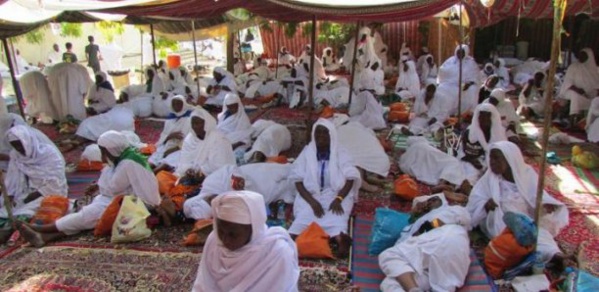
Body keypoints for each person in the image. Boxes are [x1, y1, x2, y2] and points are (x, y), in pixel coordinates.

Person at [16, 131, 163, 247]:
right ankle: (46, 237)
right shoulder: (126, 157)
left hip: (140, 205)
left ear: (111, 150)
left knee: (87, 215)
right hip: (124, 198)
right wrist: (99, 183)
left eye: (103, 151)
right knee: (89, 215)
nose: (102, 155)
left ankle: (43, 229)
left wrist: (101, 182)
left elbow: (113, 187)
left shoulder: (128, 163)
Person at [467, 141, 569, 266]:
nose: (491, 162)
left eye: (496, 158)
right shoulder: (489, 178)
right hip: (501, 222)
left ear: (509, 160)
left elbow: (537, 197)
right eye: (491, 158)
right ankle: (552, 258)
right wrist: (485, 205)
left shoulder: (527, 174)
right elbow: (474, 203)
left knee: (540, 236)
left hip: (526, 220)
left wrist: (545, 205)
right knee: (513, 243)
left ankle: (558, 256)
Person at [191, 190, 299, 292]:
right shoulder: (214, 240)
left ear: (253, 229)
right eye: (221, 232)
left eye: (232, 235)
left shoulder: (277, 252)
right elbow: (204, 285)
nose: (224, 239)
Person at [288, 118, 361, 257]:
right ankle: (289, 242)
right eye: (317, 132)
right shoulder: (307, 152)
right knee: (303, 218)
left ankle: (340, 240)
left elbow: (351, 177)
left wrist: (339, 199)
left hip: (336, 193)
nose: (320, 136)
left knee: (337, 218)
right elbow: (297, 180)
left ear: (331, 135)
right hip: (311, 195)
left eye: (324, 133)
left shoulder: (340, 152)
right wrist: (313, 202)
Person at [379, 194, 471, 292]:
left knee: (388, 254)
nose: (428, 203)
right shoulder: (411, 227)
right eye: (419, 204)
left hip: (447, 239)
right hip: (432, 264)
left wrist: (427, 227)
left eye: (433, 200)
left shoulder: (451, 210)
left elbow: (460, 219)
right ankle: (414, 288)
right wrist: (416, 229)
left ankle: (413, 290)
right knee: (389, 283)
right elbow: (403, 249)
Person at [0, 125, 67, 243]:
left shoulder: (48, 153)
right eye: (15, 145)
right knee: (5, 209)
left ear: (27, 141)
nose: (18, 148)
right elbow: (12, 177)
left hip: (48, 191)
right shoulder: (15, 155)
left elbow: (57, 181)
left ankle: (13, 232)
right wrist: (10, 195)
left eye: (20, 144)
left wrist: (35, 194)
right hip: (24, 191)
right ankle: (7, 229)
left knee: (26, 211)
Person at [183, 163, 295, 221]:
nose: (214, 200)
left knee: (292, 171)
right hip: (265, 195)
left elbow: (229, 168)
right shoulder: (226, 208)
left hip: (256, 175)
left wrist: (238, 180)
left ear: (205, 198)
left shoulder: (210, 183)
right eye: (213, 204)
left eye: (210, 200)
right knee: (293, 189)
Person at [334, 114, 390, 193]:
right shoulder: (341, 129)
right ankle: (362, 183)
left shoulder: (353, 127)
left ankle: (363, 178)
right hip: (375, 158)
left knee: (359, 156)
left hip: (375, 156)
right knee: (353, 158)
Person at [175, 107, 235, 178]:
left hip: (212, 176)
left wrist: (199, 171)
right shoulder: (189, 139)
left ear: (206, 123)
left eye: (197, 123)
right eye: (193, 123)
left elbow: (219, 164)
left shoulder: (218, 138)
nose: (194, 126)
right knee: (163, 178)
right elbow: (184, 161)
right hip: (191, 175)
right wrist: (188, 169)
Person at [400, 136, 472, 193]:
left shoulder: (410, 150)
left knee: (450, 163)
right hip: (423, 153)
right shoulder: (424, 144)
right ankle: (443, 183)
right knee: (452, 162)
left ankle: (444, 183)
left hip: (407, 162)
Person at [458, 103, 507, 184]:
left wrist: (487, 166)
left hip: (492, 163)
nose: (484, 119)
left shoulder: (499, 133)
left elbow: (502, 154)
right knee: (471, 174)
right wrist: (473, 161)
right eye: (481, 116)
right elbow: (462, 152)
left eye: (487, 116)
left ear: (492, 118)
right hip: (470, 162)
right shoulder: (470, 132)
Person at [149, 96, 194, 168]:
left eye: (178, 104)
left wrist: (173, 149)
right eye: (174, 104)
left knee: (168, 161)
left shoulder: (188, 119)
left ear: (184, 105)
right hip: (167, 143)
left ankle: (155, 172)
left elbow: (188, 139)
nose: (176, 106)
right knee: (154, 158)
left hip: (180, 148)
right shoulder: (170, 119)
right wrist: (170, 136)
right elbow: (164, 135)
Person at [558, 48, 599, 125]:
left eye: (583, 56)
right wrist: (579, 90)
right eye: (580, 55)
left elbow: (597, 85)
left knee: (595, 101)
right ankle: (572, 121)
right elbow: (568, 83)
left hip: (588, 95)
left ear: (589, 57)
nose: (580, 57)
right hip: (571, 91)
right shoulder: (574, 67)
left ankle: (587, 123)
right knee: (575, 96)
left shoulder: (593, 70)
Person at [437, 45, 480, 115]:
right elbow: (442, 72)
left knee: (472, 90)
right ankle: (444, 111)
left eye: (462, 52)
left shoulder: (471, 63)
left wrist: (469, 84)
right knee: (441, 88)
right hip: (449, 83)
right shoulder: (450, 61)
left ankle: (466, 112)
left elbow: (475, 77)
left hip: (464, 85)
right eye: (458, 52)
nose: (459, 54)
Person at [349, 65, 387, 130]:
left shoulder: (365, 94)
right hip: (381, 122)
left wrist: (348, 112)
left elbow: (354, 111)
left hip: (371, 121)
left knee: (349, 121)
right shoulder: (375, 93)